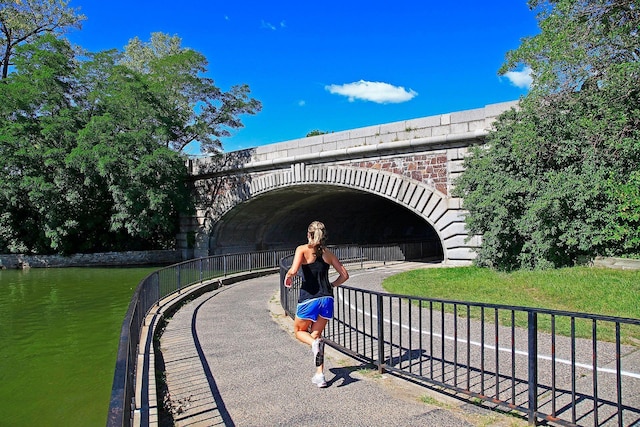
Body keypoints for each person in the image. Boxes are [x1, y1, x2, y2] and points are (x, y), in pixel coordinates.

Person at [284, 221, 349, 388]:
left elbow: (293, 269)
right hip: (327, 299)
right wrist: (332, 285)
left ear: (308, 234)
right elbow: (344, 275)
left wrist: (289, 276)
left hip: (309, 298)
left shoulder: (302, 249)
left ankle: (314, 347)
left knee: (299, 331)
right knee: (317, 335)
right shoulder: (328, 253)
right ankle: (319, 375)